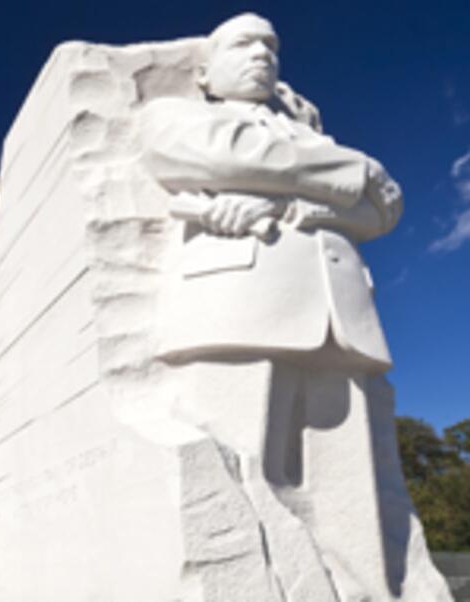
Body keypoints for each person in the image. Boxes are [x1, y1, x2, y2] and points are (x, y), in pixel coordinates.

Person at [137, 13, 410, 600]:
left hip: (342, 317)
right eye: (244, 43)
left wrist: (313, 196)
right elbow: (222, 155)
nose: (262, 53)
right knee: (243, 483)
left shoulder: (312, 137)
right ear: (205, 72)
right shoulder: (178, 113)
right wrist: (353, 170)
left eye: (271, 45)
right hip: (238, 311)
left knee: (355, 501)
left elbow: (385, 210)